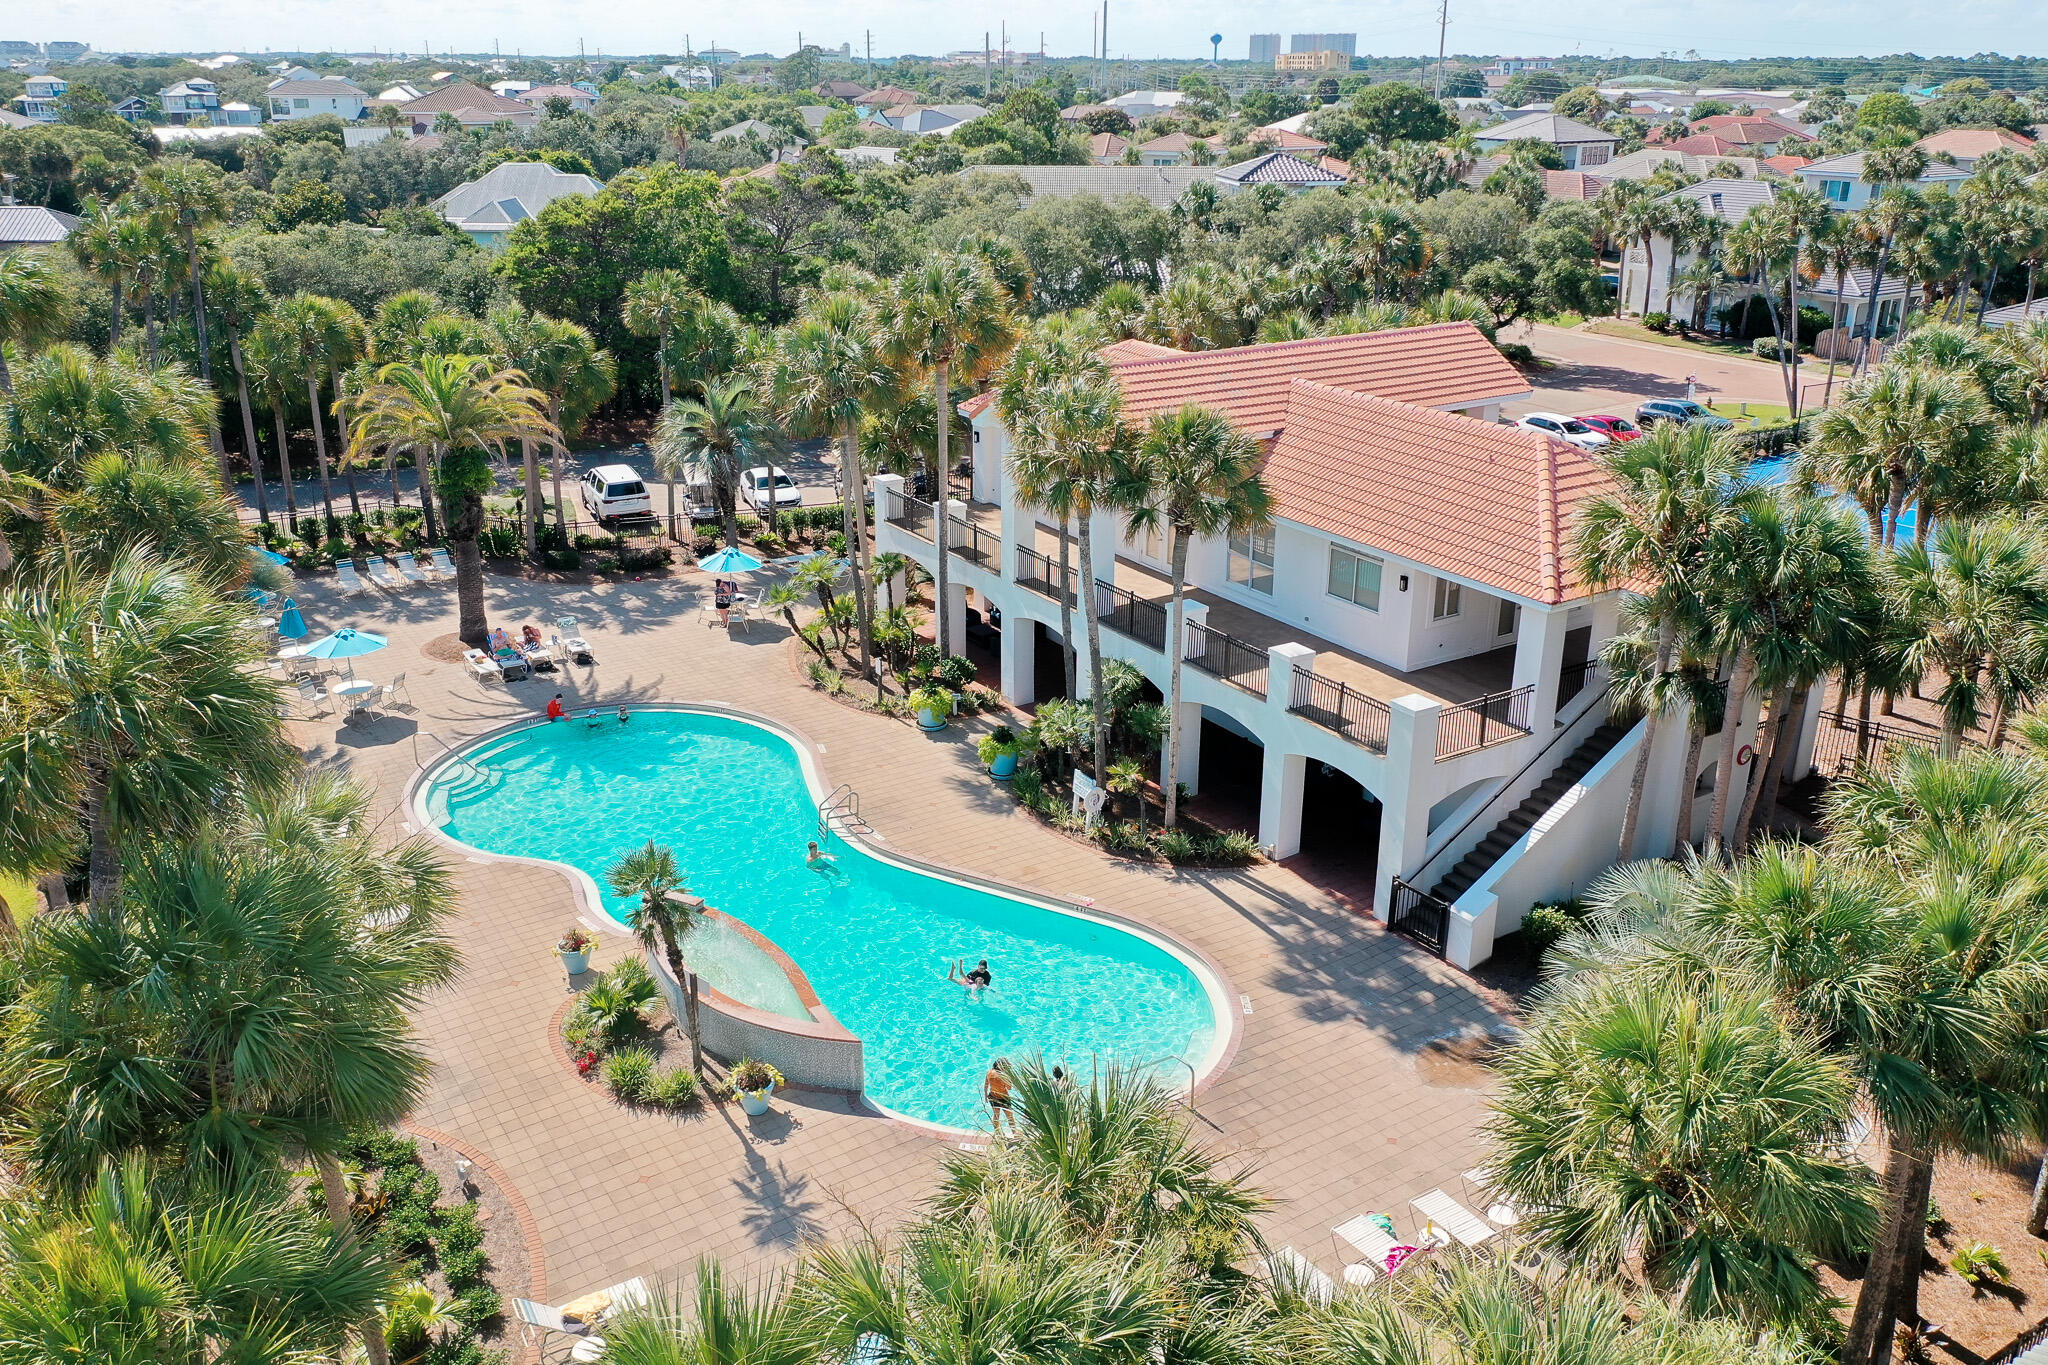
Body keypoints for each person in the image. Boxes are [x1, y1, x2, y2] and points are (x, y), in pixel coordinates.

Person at [984, 1058, 1013, 1134]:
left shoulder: (989, 1073)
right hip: (1003, 1098)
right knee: (1010, 1117)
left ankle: (998, 1133)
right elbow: (1009, 1088)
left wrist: (985, 1096)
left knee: (996, 1116)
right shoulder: (1002, 1076)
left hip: (992, 1096)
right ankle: (1015, 1134)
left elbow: (986, 1086)